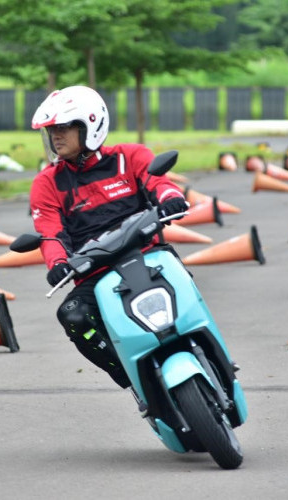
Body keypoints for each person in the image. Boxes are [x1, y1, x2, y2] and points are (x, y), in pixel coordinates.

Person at [29, 85, 189, 411]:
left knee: (186, 301)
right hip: (94, 275)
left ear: (90, 126)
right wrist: (57, 263)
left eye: (63, 127)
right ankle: (134, 380)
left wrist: (171, 199)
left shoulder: (130, 157)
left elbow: (159, 182)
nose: (55, 137)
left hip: (149, 257)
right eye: (51, 130)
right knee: (73, 317)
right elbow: (49, 231)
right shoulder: (46, 183)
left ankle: (213, 352)